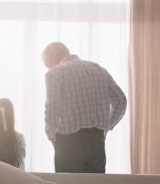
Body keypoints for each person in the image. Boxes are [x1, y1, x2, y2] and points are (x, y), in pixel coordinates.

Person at [42, 42, 127, 173]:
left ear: (53, 56)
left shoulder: (55, 73)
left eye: (47, 64)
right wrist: (105, 126)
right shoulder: (99, 70)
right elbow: (121, 100)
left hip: (67, 142)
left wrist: (52, 138)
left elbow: (52, 108)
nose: (48, 68)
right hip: (96, 141)